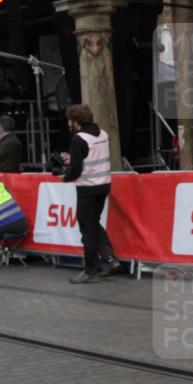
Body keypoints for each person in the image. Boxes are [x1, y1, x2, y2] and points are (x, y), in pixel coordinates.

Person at [59, 104, 120, 284]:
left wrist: (65, 176)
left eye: (70, 120)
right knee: (93, 224)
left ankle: (90, 270)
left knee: (87, 230)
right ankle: (110, 259)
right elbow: (91, 157)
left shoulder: (79, 139)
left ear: (76, 122)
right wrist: (75, 159)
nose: (69, 123)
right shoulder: (102, 134)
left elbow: (76, 170)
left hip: (87, 189)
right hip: (103, 186)